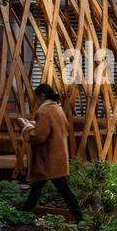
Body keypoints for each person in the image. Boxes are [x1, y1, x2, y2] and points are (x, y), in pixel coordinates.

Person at [17, 84, 82, 222]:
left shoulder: (44, 112)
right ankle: (24, 213)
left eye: (36, 98)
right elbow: (56, 128)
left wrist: (26, 127)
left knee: (61, 190)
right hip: (57, 157)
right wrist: (35, 124)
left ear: (42, 96)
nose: (36, 101)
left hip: (47, 159)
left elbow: (39, 136)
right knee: (39, 188)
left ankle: (79, 218)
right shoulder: (57, 108)